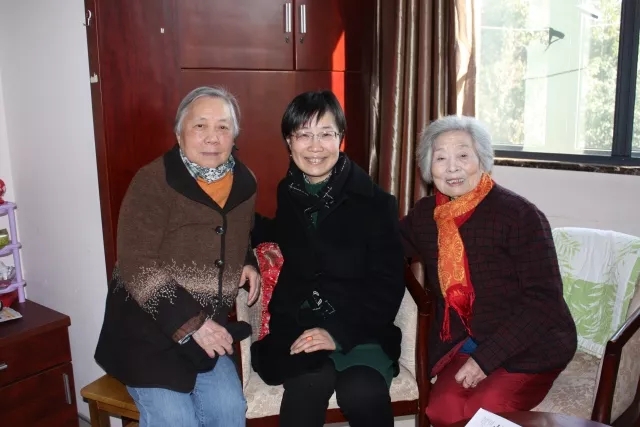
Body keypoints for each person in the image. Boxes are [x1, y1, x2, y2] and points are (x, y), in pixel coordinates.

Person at [94, 86, 261, 427]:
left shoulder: (244, 183)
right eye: (200, 125)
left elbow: (238, 233)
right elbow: (137, 263)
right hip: (147, 331)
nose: (212, 137)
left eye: (223, 127)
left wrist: (247, 260)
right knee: (175, 420)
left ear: (234, 137)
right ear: (179, 133)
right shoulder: (152, 181)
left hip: (208, 330)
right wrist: (194, 324)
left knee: (230, 411)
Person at [399, 115, 577, 427]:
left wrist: (485, 360)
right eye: (440, 158)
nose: (452, 168)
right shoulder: (426, 215)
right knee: (440, 411)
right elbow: (383, 249)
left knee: (484, 413)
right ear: (428, 167)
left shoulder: (520, 215)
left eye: (463, 155)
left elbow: (544, 301)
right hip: (466, 341)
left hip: (531, 342)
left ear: (482, 159)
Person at [250, 90, 405, 427]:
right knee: (306, 386)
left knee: (361, 391)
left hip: (359, 329)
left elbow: (389, 285)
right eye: (303, 135)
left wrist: (337, 333)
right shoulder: (289, 191)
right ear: (289, 142)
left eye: (326, 134)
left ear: (341, 138)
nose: (315, 146)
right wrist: (245, 255)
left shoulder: (376, 204)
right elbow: (281, 233)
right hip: (301, 326)